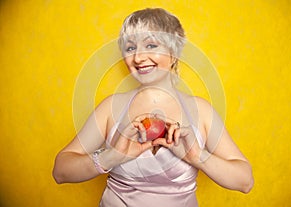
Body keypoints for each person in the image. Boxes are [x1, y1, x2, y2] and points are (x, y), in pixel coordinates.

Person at [52, 8, 254, 207]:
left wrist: (197, 157)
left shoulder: (202, 111)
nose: (138, 58)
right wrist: (110, 157)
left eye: (150, 45)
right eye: (130, 48)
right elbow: (60, 171)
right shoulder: (110, 107)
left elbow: (245, 181)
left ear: (174, 53)